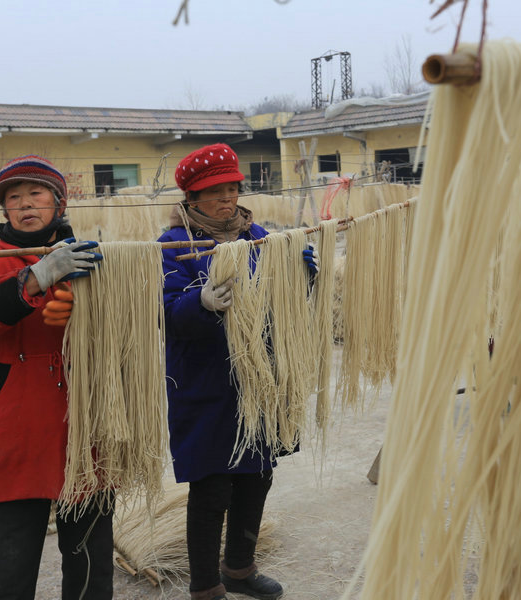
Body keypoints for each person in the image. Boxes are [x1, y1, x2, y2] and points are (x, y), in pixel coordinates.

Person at [157, 143, 317, 600]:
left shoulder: (260, 236)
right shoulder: (173, 247)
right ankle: (206, 586)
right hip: (205, 383)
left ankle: (240, 570)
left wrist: (303, 280)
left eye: (231, 189)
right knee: (212, 486)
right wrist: (200, 303)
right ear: (191, 200)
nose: (226, 200)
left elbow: (278, 305)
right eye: (214, 193)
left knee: (257, 475)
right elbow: (163, 312)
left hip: (258, 379)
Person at [0, 155, 112, 600]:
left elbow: (126, 322)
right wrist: (36, 278)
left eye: (35, 194)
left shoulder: (90, 255)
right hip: (13, 415)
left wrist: (86, 319)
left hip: (82, 414)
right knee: (9, 550)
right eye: (13, 198)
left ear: (58, 203)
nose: (24, 204)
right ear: (4, 211)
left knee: (90, 550)